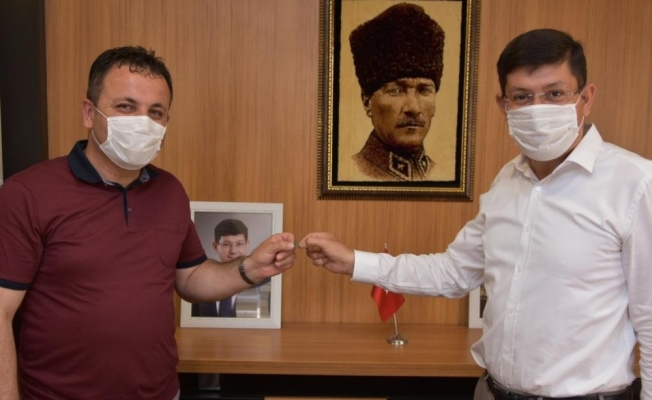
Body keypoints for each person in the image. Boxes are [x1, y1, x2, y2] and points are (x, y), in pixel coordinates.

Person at [301, 28, 651, 400]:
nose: (538, 109)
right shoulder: (508, 180)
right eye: (522, 97)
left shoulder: (635, 183)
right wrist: (353, 261)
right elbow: (453, 272)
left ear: (586, 98)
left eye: (554, 94)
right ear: (504, 105)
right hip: (491, 391)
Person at [0, 46, 296, 400]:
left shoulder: (170, 191)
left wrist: (251, 268)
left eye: (155, 112)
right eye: (126, 107)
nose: (142, 122)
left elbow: (191, 279)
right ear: (89, 113)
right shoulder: (27, 193)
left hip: (161, 393)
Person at [348, 3, 445, 181]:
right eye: (397, 91)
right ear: (367, 101)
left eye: (424, 90)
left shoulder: (441, 174)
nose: (413, 108)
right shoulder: (350, 173)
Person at [191, 218, 270, 318]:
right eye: (226, 244)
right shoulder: (198, 282)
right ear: (215, 247)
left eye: (239, 244)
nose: (233, 251)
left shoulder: (266, 282)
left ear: (247, 244)